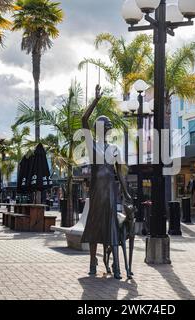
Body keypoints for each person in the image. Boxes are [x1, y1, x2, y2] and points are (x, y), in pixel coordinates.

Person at [80, 85, 132, 279]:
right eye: (100, 127)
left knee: (111, 228)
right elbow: (84, 119)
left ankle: (116, 266)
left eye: (106, 128)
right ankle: (93, 262)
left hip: (110, 192)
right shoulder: (90, 144)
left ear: (108, 130)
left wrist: (126, 193)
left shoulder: (115, 148)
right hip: (96, 192)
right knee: (94, 227)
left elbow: (121, 173)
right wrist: (95, 100)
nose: (104, 130)